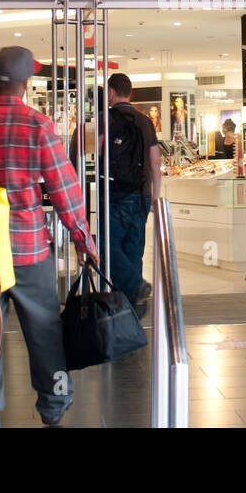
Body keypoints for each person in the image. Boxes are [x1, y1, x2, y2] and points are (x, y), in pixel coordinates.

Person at [0, 47, 98, 428]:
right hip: (27, 247)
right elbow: (64, 187)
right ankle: (54, 405)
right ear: (27, 82)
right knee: (44, 333)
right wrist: (82, 238)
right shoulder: (37, 125)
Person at [105, 73, 160, 317]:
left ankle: (131, 291)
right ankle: (132, 311)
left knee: (108, 247)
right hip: (141, 195)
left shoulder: (106, 119)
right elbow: (155, 162)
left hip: (115, 194)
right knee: (134, 250)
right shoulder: (145, 121)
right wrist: (156, 197)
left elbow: (92, 152)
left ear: (111, 92)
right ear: (130, 92)